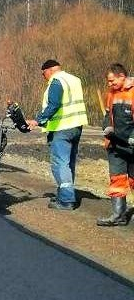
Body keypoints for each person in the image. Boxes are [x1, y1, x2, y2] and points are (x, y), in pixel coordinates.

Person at [26, 59, 89, 210]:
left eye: (43, 74)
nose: (44, 78)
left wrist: (37, 121)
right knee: (68, 163)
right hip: (76, 126)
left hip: (61, 128)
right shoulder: (74, 79)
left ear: (49, 70)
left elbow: (54, 104)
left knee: (60, 164)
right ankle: (64, 194)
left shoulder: (56, 81)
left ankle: (66, 200)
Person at [96, 63, 134, 226]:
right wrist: (107, 127)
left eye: (112, 81)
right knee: (117, 180)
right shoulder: (111, 94)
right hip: (115, 146)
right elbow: (107, 114)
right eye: (108, 82)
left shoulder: (132, 93)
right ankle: (118, 215)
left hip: (131, 146)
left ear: (122, 77)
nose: (110, 84)